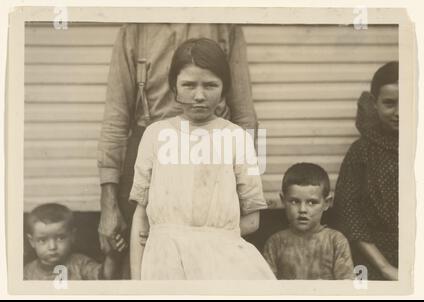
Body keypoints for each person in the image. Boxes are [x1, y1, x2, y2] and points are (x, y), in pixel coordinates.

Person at [97, 24, 259, 267]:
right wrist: (107, 205)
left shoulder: (224, 24)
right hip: (152, 148)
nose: (199, 95)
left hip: (213, 154)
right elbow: (115, 119)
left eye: (210, 87)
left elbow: (246, 116)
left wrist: (244, 181)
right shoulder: (136, 28)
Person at [129, 38, 275, 280]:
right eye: (188, 85)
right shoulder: (155, 135)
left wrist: (208, 239)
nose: (199, 95)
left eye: (210, 85)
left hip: (221, 264)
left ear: (224, 88)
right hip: (165, 265)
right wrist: (137, 283)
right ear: (174, 88)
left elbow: (253, 218)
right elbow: (140, 216)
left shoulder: (238, 137)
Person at [333, 61, 399, 280]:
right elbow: (350, 214)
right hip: (374, 259)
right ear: (374, 103)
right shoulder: (361, 152)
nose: (398, 112)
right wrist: (385, 267)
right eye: (390, 103)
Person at [262, 163, 354, 280]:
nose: (302, 210)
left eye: (311, 202)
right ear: (283, 200)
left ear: (327, 203)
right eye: (295, 201)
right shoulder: (275, 243)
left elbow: (346, 287)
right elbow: (266, 287)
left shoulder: (336, 241)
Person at [24, 203, 126, 280]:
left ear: (72, 236)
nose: (52, 247)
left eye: (60, 238)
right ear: (32, 241)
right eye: (42, 240)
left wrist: (112, 256)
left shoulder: (80, 264)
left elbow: (104, 277)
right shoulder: (27, 273)